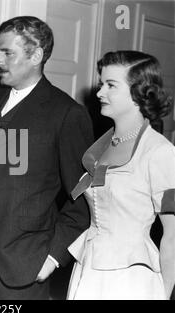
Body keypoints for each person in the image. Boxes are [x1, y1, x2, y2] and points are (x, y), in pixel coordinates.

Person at [0, 16, 94, 299]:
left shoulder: (67, 114)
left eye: (7, 53)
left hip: (25, 261)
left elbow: (85, 200)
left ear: (35, 55)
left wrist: (52, 257)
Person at [68, 50, 175, 300]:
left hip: (130, 279)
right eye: (101, 84)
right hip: (88, 269)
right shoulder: (102, 146)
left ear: (139, 93)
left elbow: (172, 238)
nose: (99, 93)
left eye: (111, 85)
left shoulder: (160, 153)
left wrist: (164, 294)